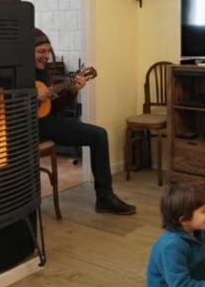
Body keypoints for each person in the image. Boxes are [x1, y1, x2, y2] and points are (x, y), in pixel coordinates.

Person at [34, 28, 135, 215]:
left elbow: (53, 107)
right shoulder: (18, 73)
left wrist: (73, 90)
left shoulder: (46, 74)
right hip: (24, 129)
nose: (46, 56)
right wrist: (32, 95)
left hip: (46, 123)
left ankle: (105, 197)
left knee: (99, 134)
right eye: (41, 52)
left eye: (48, 51)